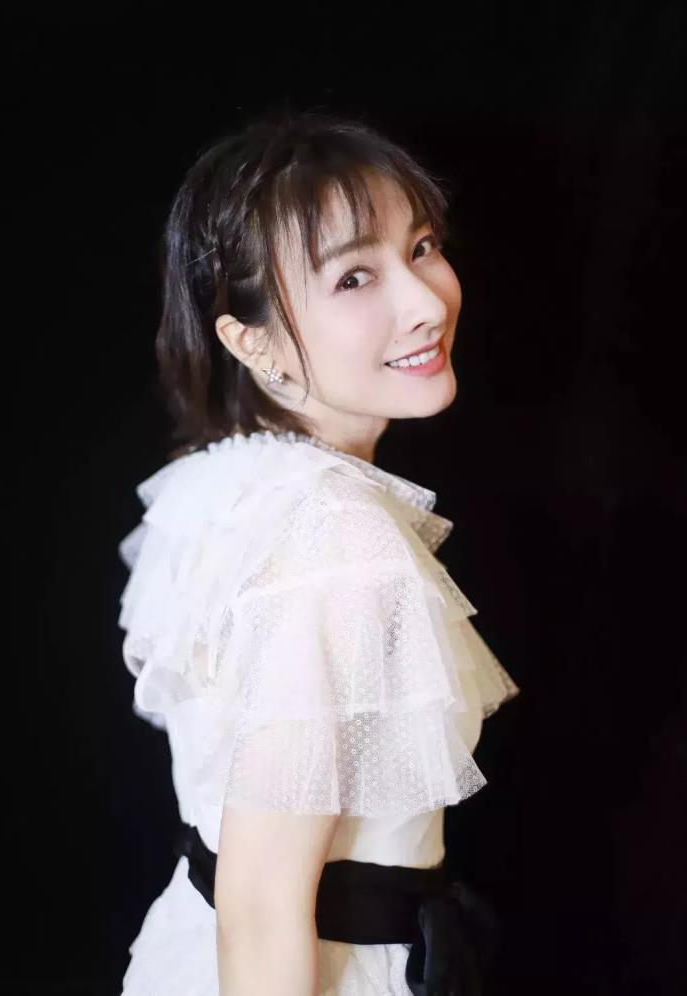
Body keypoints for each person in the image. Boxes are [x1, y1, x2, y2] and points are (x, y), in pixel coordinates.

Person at [117, 106, 520, 996]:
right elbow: (262, 906)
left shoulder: (229, 482)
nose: (427, 303)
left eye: (422, 248)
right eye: (354, 278)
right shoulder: (337, 537)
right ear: (251, 341)